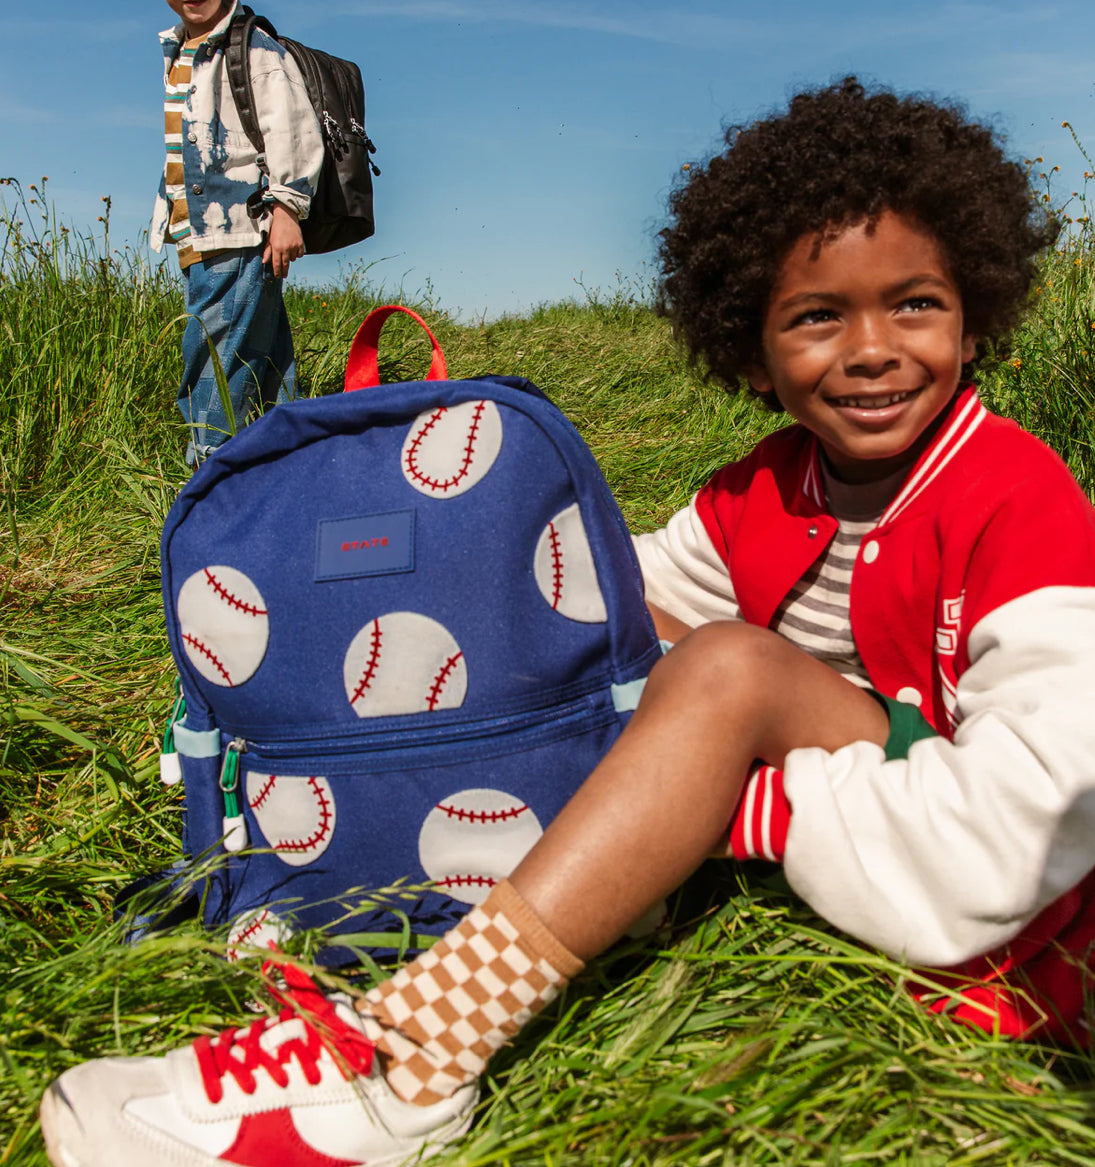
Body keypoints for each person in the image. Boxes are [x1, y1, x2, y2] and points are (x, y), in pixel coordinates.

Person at [40, 78, 1095, 1166]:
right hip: (875, 840)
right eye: (818, 316)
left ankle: (415, 1052)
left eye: (914, 303)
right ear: (749, 346)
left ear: (977, 315)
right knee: (649, 633)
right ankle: (393, 887)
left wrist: (737, 800)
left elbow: (1023, 833)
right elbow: (617, 593)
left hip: (1022, 928)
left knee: (724, 669)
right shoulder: (770, 489)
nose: (871, 347)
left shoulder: (1020, 500)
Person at [151, 0, 324, 465]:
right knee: (267, 365)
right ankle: (294, 466)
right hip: (198, 236)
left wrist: (288, 207)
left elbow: (293, 128)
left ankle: (209, 472)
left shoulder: (253, 49)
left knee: (214, 359)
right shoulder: (181, 48)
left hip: (237, 230)